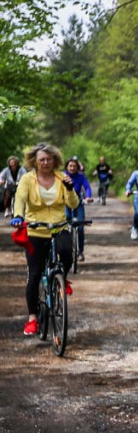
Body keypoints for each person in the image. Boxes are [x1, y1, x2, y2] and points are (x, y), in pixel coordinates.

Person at [9, 143, 80, 336]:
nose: (46, 162)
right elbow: (20, 199)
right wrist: (18, 216)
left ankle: (61, 279)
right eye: (42, 159)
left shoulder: (61, 178)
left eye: (49, 159)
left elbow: (74, 204)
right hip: (35, 229)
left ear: (55, 160)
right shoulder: (27, 179)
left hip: (58, 226)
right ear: (35, 161)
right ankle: (32, 318)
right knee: (34, 274)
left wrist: (70, 189)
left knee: (67, 253)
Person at [64, 157, 93, 261]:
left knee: (80, 227)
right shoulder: (62, 176)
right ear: (67, 167)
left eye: (74, 166)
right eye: (70, 166)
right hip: (65, 202)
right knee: (65, 223)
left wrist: (88, 197)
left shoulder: (81, 177)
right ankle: (65, 249)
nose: (72, 168)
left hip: (78, 203)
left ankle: (80, 251)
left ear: (77, 168)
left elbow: (87, 187)